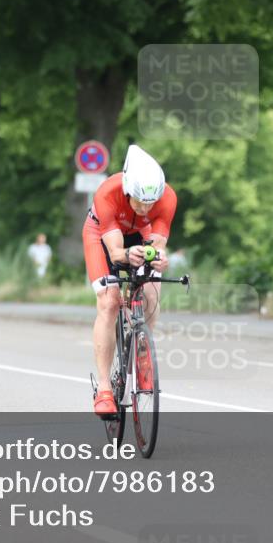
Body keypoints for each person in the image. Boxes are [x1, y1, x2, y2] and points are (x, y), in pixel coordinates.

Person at [83, 145, 177, 417]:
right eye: (139, 200)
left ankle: (143, 355)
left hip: (139, 233)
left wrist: (158, 257)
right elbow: (114, 251)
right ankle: (103, 390)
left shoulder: (167, 198)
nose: (146, 206)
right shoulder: (107, 192)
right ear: (126, 188)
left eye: (151, 202)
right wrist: (126, 254)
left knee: (151, 293)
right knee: (110, 302)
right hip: (102, 236)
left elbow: (157, 242)